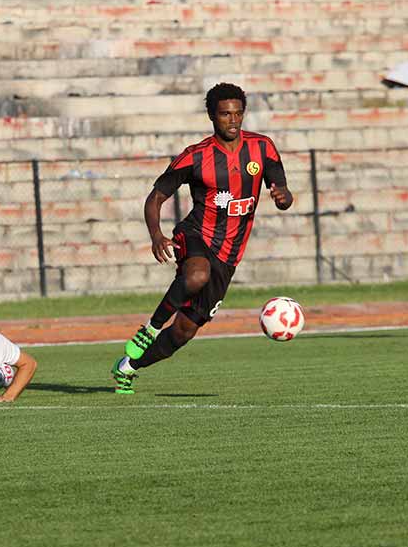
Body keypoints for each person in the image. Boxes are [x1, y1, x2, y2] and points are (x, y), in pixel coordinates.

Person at [110, 82, 294, 393]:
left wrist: (283, 197)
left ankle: (128, 367)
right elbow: (154, 198)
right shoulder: (195, 156)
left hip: (228, 256)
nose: (233, 120)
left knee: (183, 331)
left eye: (238, 114)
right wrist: (156, 235)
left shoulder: (263, 148)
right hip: (195, 234)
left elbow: (284, 193)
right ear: (211, 116)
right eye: (225, 114)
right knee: (196, 274)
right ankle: (150, 328)